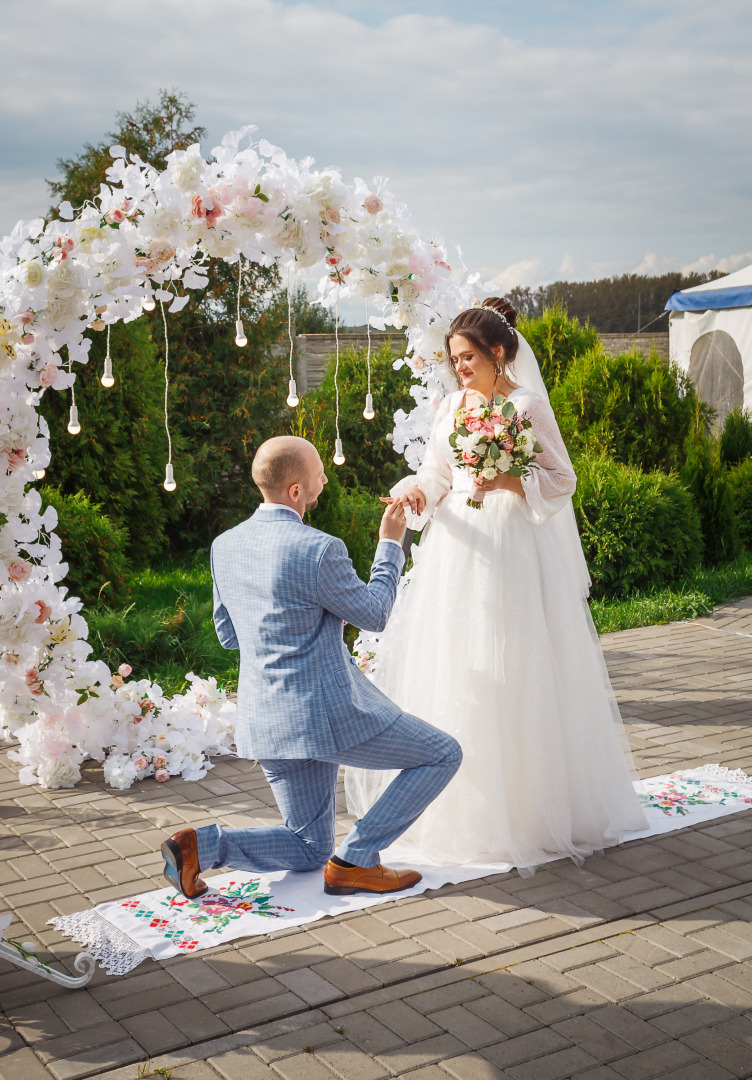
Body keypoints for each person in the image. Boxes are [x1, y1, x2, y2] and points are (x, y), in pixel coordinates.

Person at [346, 299, 647, 872]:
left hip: (511, 547)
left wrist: (507, 480)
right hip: (456, 548)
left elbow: (562, 479)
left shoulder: (527, 406)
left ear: (499, 352)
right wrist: (416, 493)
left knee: (515, 668)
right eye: (454, 358)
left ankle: (529, 811)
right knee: (458, 666)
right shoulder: (453, 406)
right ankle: (455, 809)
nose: (459, 368)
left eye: (468, 357)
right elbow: (438, 474)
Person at [159, 435, 462, 900]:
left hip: (266, 719)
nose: (325, 479)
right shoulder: (319, 549)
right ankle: (357, 859)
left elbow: (228, 634)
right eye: (319, 473)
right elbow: (374, 614)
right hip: (329, 716)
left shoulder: (225, 545)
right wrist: (389, 545)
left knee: (308, 846)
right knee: (442, 754)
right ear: (296, 490)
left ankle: (201, 846)